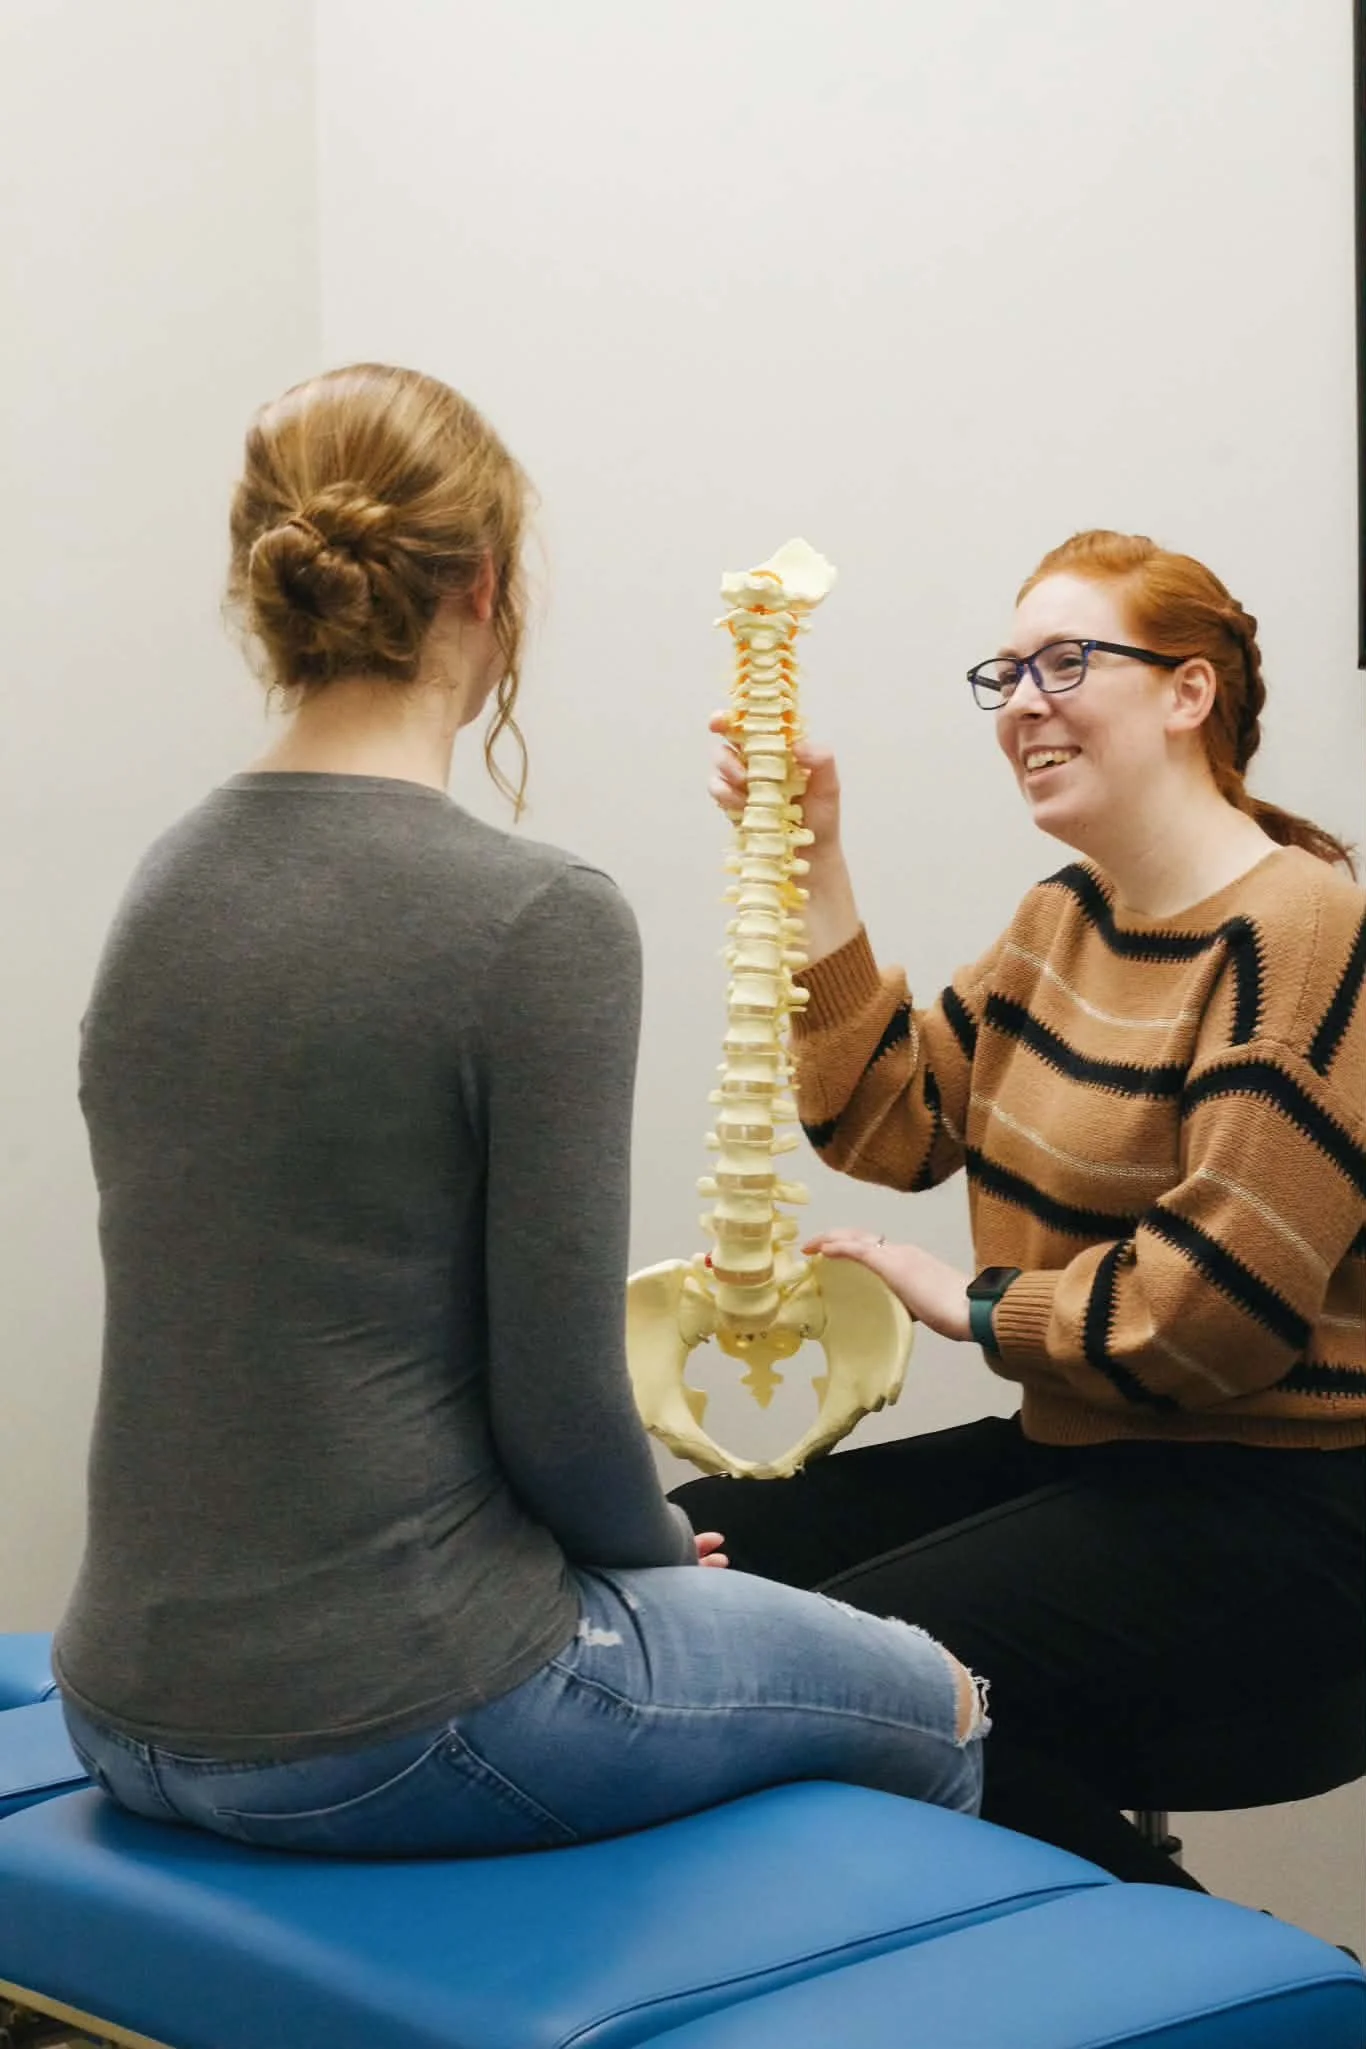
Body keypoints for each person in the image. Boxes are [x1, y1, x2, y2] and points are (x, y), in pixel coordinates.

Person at [53, 363, 985, 1857]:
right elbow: (560, 1407)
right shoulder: (536, 917)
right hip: (397, 1715)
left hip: (118, 1699)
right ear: (485, 584)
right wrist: (661, 1554)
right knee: (934, 1701)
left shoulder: (163, 883)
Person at [674, 529, 1366, 1891]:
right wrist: (808, 851)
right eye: (1005, 672)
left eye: (1066, 661)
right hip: (1088, 1457)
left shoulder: (1297, 934)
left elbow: (1208, 1321)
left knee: (838, 1672)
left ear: (1187, 693)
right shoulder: (1067, 918)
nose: (1022, 704)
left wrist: (967, 1302)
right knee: (698, 1559)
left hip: (1285, 1511)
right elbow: (891, 1117)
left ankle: (1220, 2003)